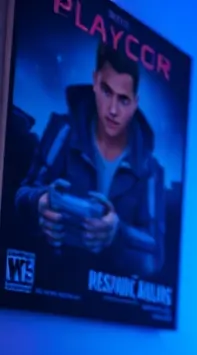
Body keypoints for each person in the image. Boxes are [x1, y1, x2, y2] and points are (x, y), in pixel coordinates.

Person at [13, 42, 166, 279]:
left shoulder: (150, 169)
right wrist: (40, 203)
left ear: (135, 103)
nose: (113, 109)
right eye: (106, 91)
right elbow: (23, 194)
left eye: (123, 99)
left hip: (110, 304)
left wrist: (117, 234)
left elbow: (154, 257)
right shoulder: (63, 130)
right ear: (94, 82)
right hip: (50, 284)